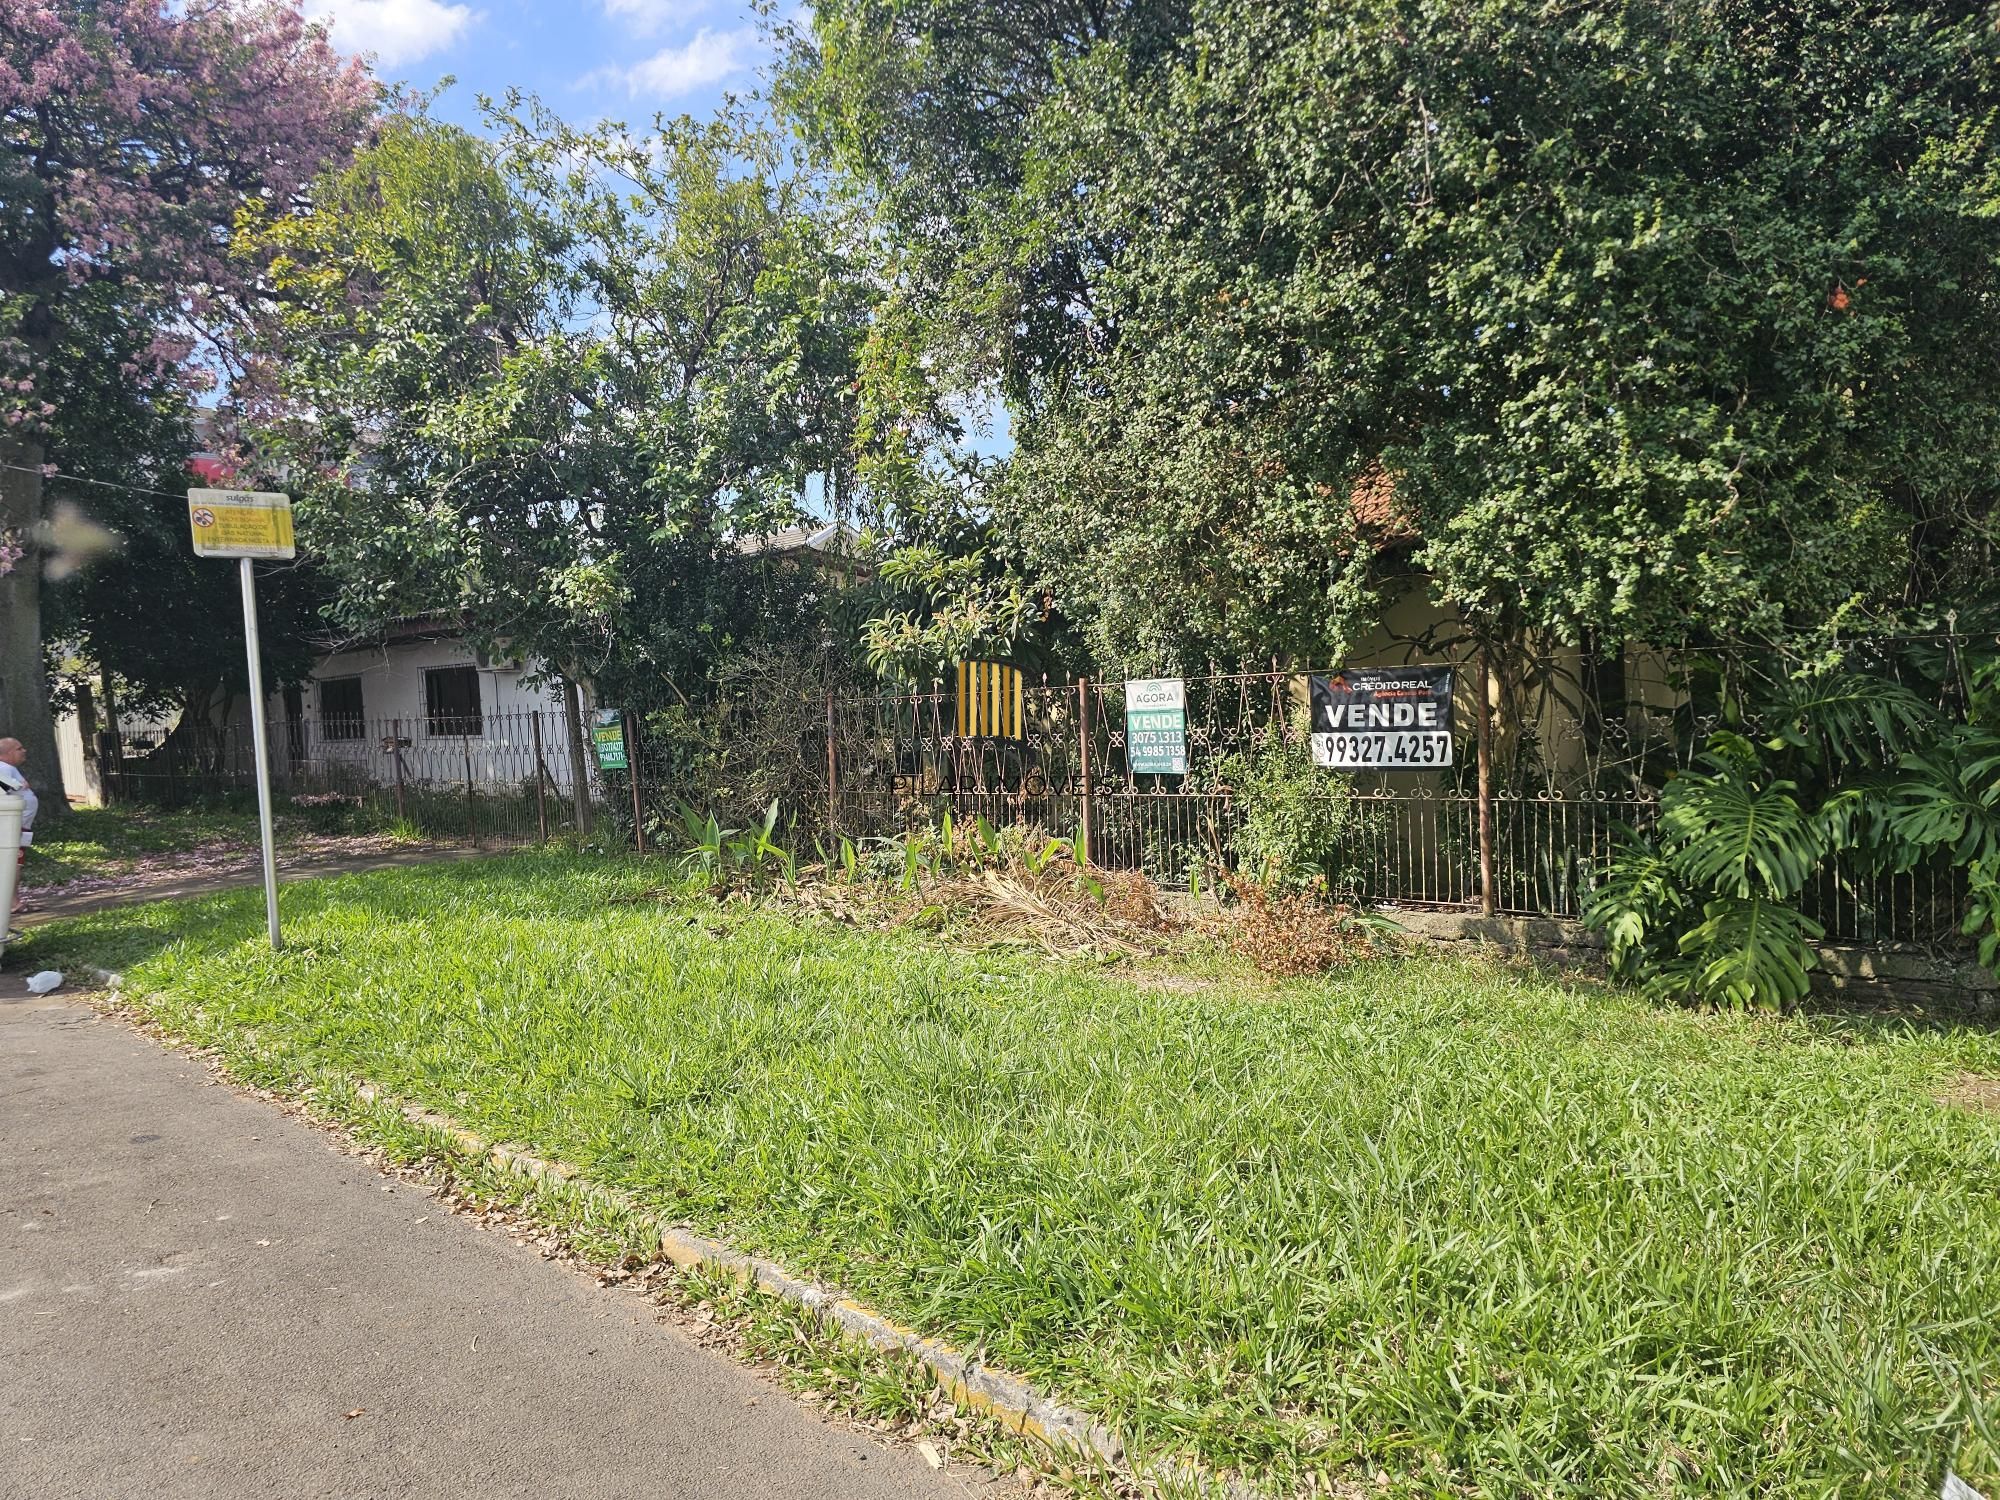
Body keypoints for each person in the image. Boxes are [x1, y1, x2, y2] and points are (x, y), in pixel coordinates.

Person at [0, 736, 36, 914]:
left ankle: (14, 900)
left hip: (19, 826)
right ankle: (12, 902)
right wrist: (18, 785)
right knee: (13, 864)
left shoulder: (8, 768)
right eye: (19, 748)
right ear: (6, 753)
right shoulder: (3, 768)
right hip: (12, 827)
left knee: (15, 863)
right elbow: (7, 789)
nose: (24, 751)